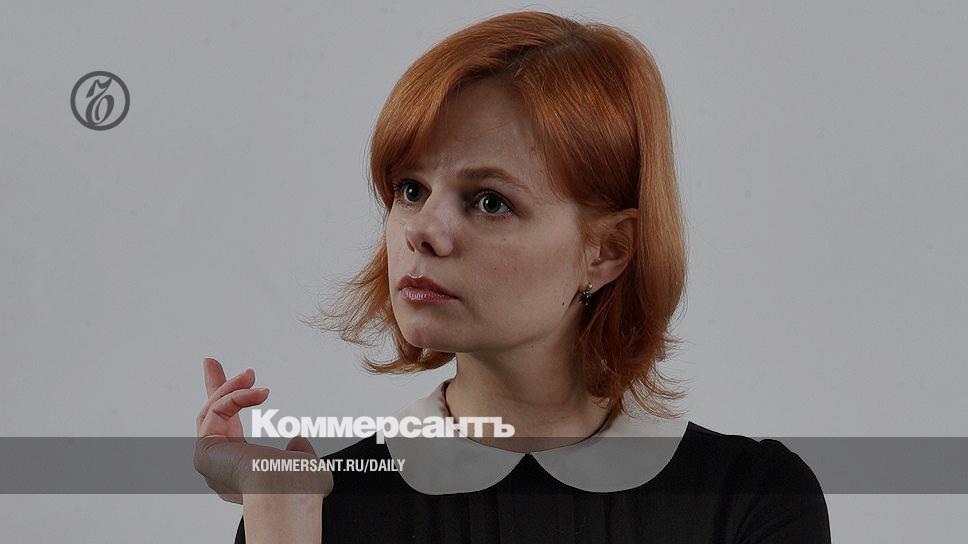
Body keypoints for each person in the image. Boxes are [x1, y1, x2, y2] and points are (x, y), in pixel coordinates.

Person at [194, 10, 831, 543]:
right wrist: (278, 509)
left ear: (607, 250)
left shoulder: (748, 502)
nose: (422, 230)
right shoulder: (316, 504)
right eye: (411, 189)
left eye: (489, 201)